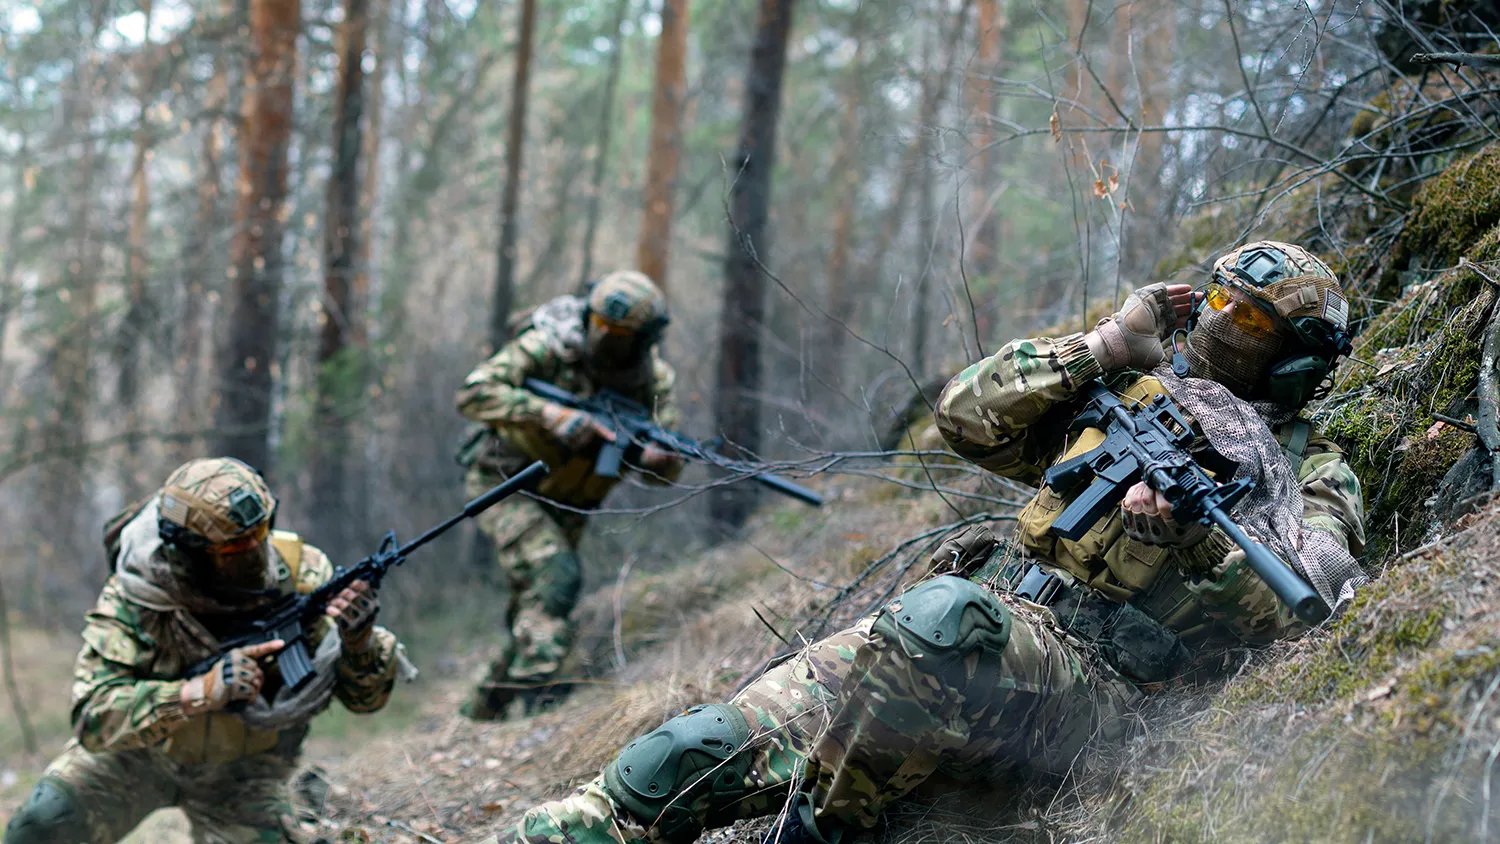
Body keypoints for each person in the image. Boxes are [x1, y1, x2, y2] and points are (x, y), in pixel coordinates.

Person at [487, 240, 1368, 844]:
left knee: (945, 620)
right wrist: (1101, 348)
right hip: (972, 626)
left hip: (1102, 687)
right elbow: (964, 418)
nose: (1219, 325)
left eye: (1251, 323)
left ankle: (821, 827)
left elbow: (1317, 596)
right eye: (1217, 301)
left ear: (1295, 358)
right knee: (678, 758)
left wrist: (1193, 543)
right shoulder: (1135, 388)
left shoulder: (1307, 463)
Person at [3, 457, 406, 844]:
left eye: (261, 532)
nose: (254, 551)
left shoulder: (303, 579)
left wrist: (358, 642)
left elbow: (365, 703)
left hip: (244, 774)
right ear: (189, 550)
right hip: (140, 757)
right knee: (41, 824)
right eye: (232, 549)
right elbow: (95, 716)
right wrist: (198, 692)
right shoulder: (139, 596)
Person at [456, 270, 683, 720]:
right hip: (507, 482)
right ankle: (536, 704)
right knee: (557, 574)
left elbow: (664, 471)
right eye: (602, 327)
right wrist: (548, 414)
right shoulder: (548, 345)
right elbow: (473, 392)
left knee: (540, 603)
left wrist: (659, 460)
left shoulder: (651, 382)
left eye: (621, 334)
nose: (607, 339)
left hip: (571, 501)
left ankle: (482, 710)